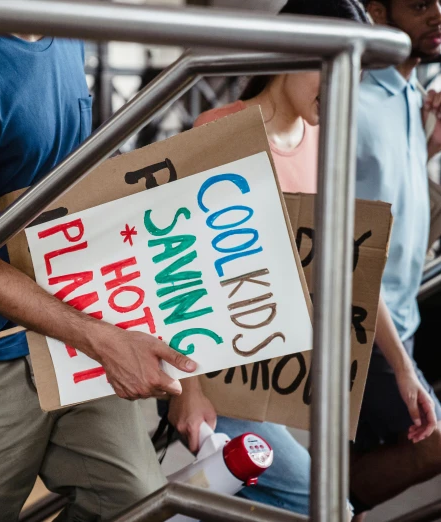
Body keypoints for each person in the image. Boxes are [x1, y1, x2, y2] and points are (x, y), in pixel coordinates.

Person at [0, 30, 198, 522]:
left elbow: (71, 185)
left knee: (137, 505)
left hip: (62, 324)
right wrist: (102, 340)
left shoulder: (66, 36)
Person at [166, 0, 371, 516]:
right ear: (292, 51)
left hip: (276, 380)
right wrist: (189, 390)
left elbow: (350, 265)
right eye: (335, 68)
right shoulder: (223, 129)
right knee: (331, 511)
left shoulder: (326, 139)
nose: (347, 89)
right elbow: (183, 267)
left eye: (357, 75)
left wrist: (404, 370)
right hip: (220, 383)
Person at [350, 1, 441, 518]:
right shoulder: (351, 101)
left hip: (401, 315)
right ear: (379, 12)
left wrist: (431, 147)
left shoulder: (412, 94)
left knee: (359, 453)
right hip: (362, 318)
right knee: (432, 444)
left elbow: (386, 193)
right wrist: (402, 365)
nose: (436, 14)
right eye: (418, 4)